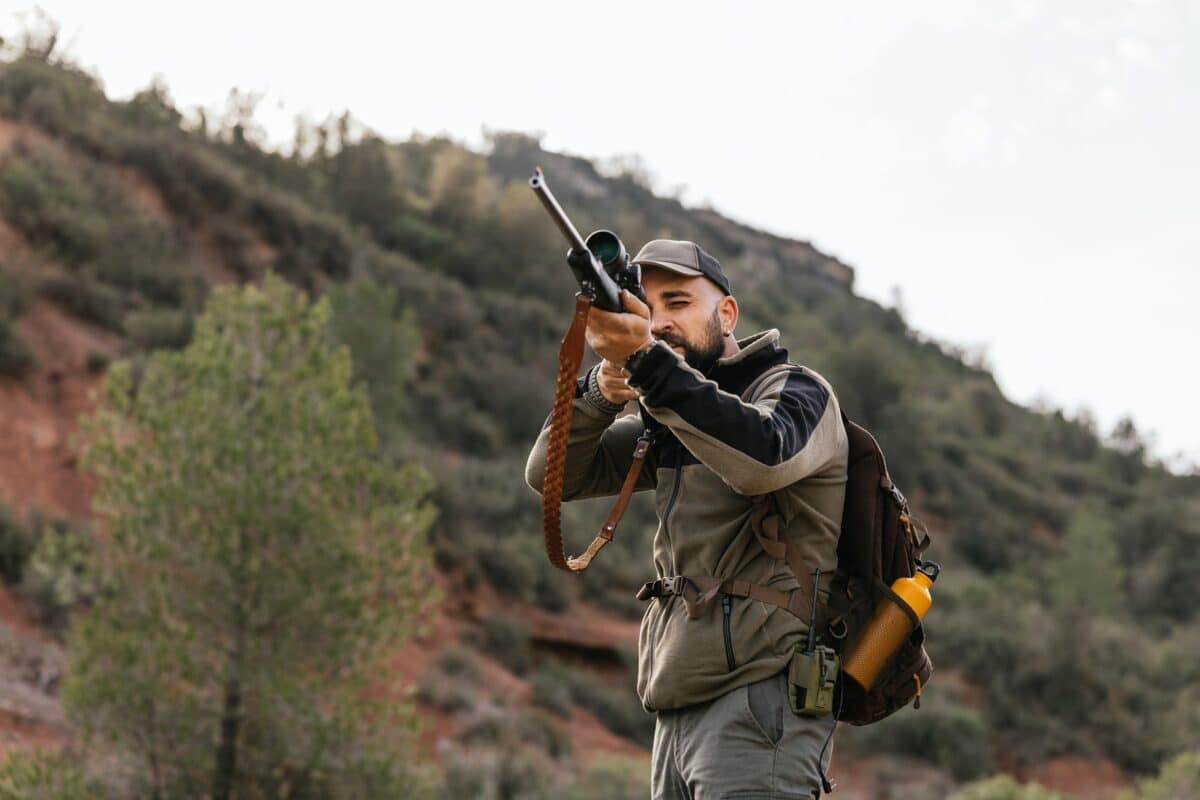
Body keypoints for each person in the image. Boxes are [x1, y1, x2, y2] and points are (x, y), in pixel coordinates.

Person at [526, 239, 849, 799]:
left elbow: (763, 459)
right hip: (675, 711)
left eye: (677, 303)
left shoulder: (796, 389)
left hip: (759, 702)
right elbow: (551, 475)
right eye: (648, 310)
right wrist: (601, 392)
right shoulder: (671, 414)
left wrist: (650, 366)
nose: (661, 323)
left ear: (726, 313)